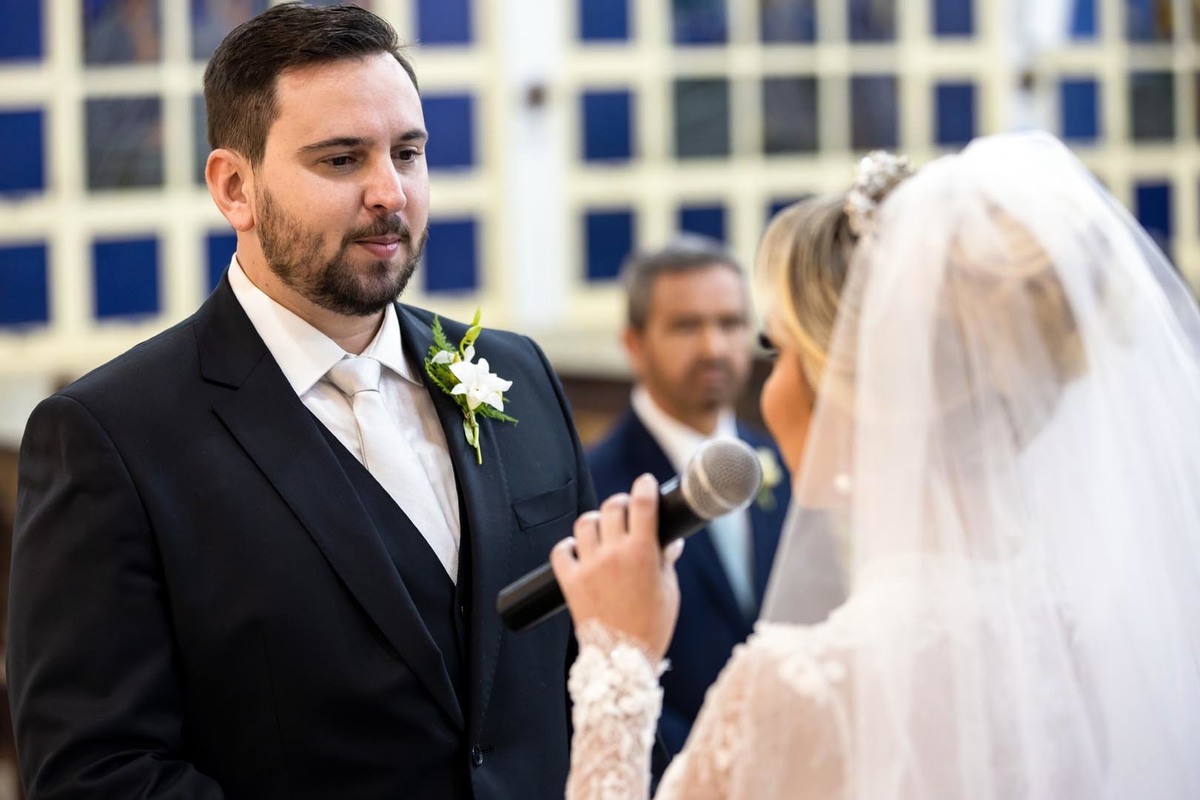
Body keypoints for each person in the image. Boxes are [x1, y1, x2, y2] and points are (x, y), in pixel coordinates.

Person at [8, 5, 595, 799]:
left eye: (408, 152)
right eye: (343, 159)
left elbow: (588, 663)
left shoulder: (514, 373)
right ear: (235, 187)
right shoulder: (112, 438)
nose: (390, 193)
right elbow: (97, 773)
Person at [552, 131, 1200, 798]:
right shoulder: (1076, 639)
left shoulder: (805, 687)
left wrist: (618, 662)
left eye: (780, 350)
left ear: (859, 390)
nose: (765, 383)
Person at [586, 236, 799, 775]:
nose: (713, 346)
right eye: (686, 326)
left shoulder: (785, 456)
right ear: (633, 342)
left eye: (730, 323)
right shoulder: (591, 484)